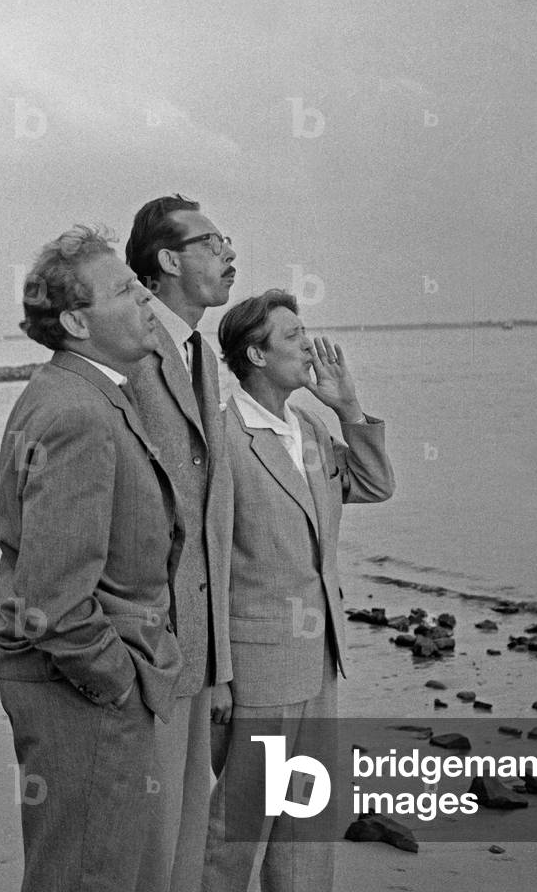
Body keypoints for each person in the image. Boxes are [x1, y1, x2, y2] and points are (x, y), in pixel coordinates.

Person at [0, 225, 184, 892]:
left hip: (81, 686)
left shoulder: (83, 394)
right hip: (83, 693)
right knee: (89, 875)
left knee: (88, 868)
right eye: (126, 290)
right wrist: (117, 682)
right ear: (76, 319)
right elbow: (52, 598)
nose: (145, 302)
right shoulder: (80, 412)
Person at [202, 289, 395, 892]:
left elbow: (374, 485)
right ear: (255, 355)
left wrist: (348, 407)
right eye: (292, 337)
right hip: (256, 662)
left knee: (306, 818)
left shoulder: (308, 426)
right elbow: (206, 558)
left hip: (319, 657)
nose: (309, 347)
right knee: (241, 824)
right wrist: (219, 672)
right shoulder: (223, 436)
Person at [124, 194, 236, 892]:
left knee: (186, 845)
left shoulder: (202, 356)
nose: (230, 253)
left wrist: (218, 657)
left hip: (195, 647)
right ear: (168, 260)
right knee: (148, 847)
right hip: (148, 647)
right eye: (213, 241)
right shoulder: (133, 350)